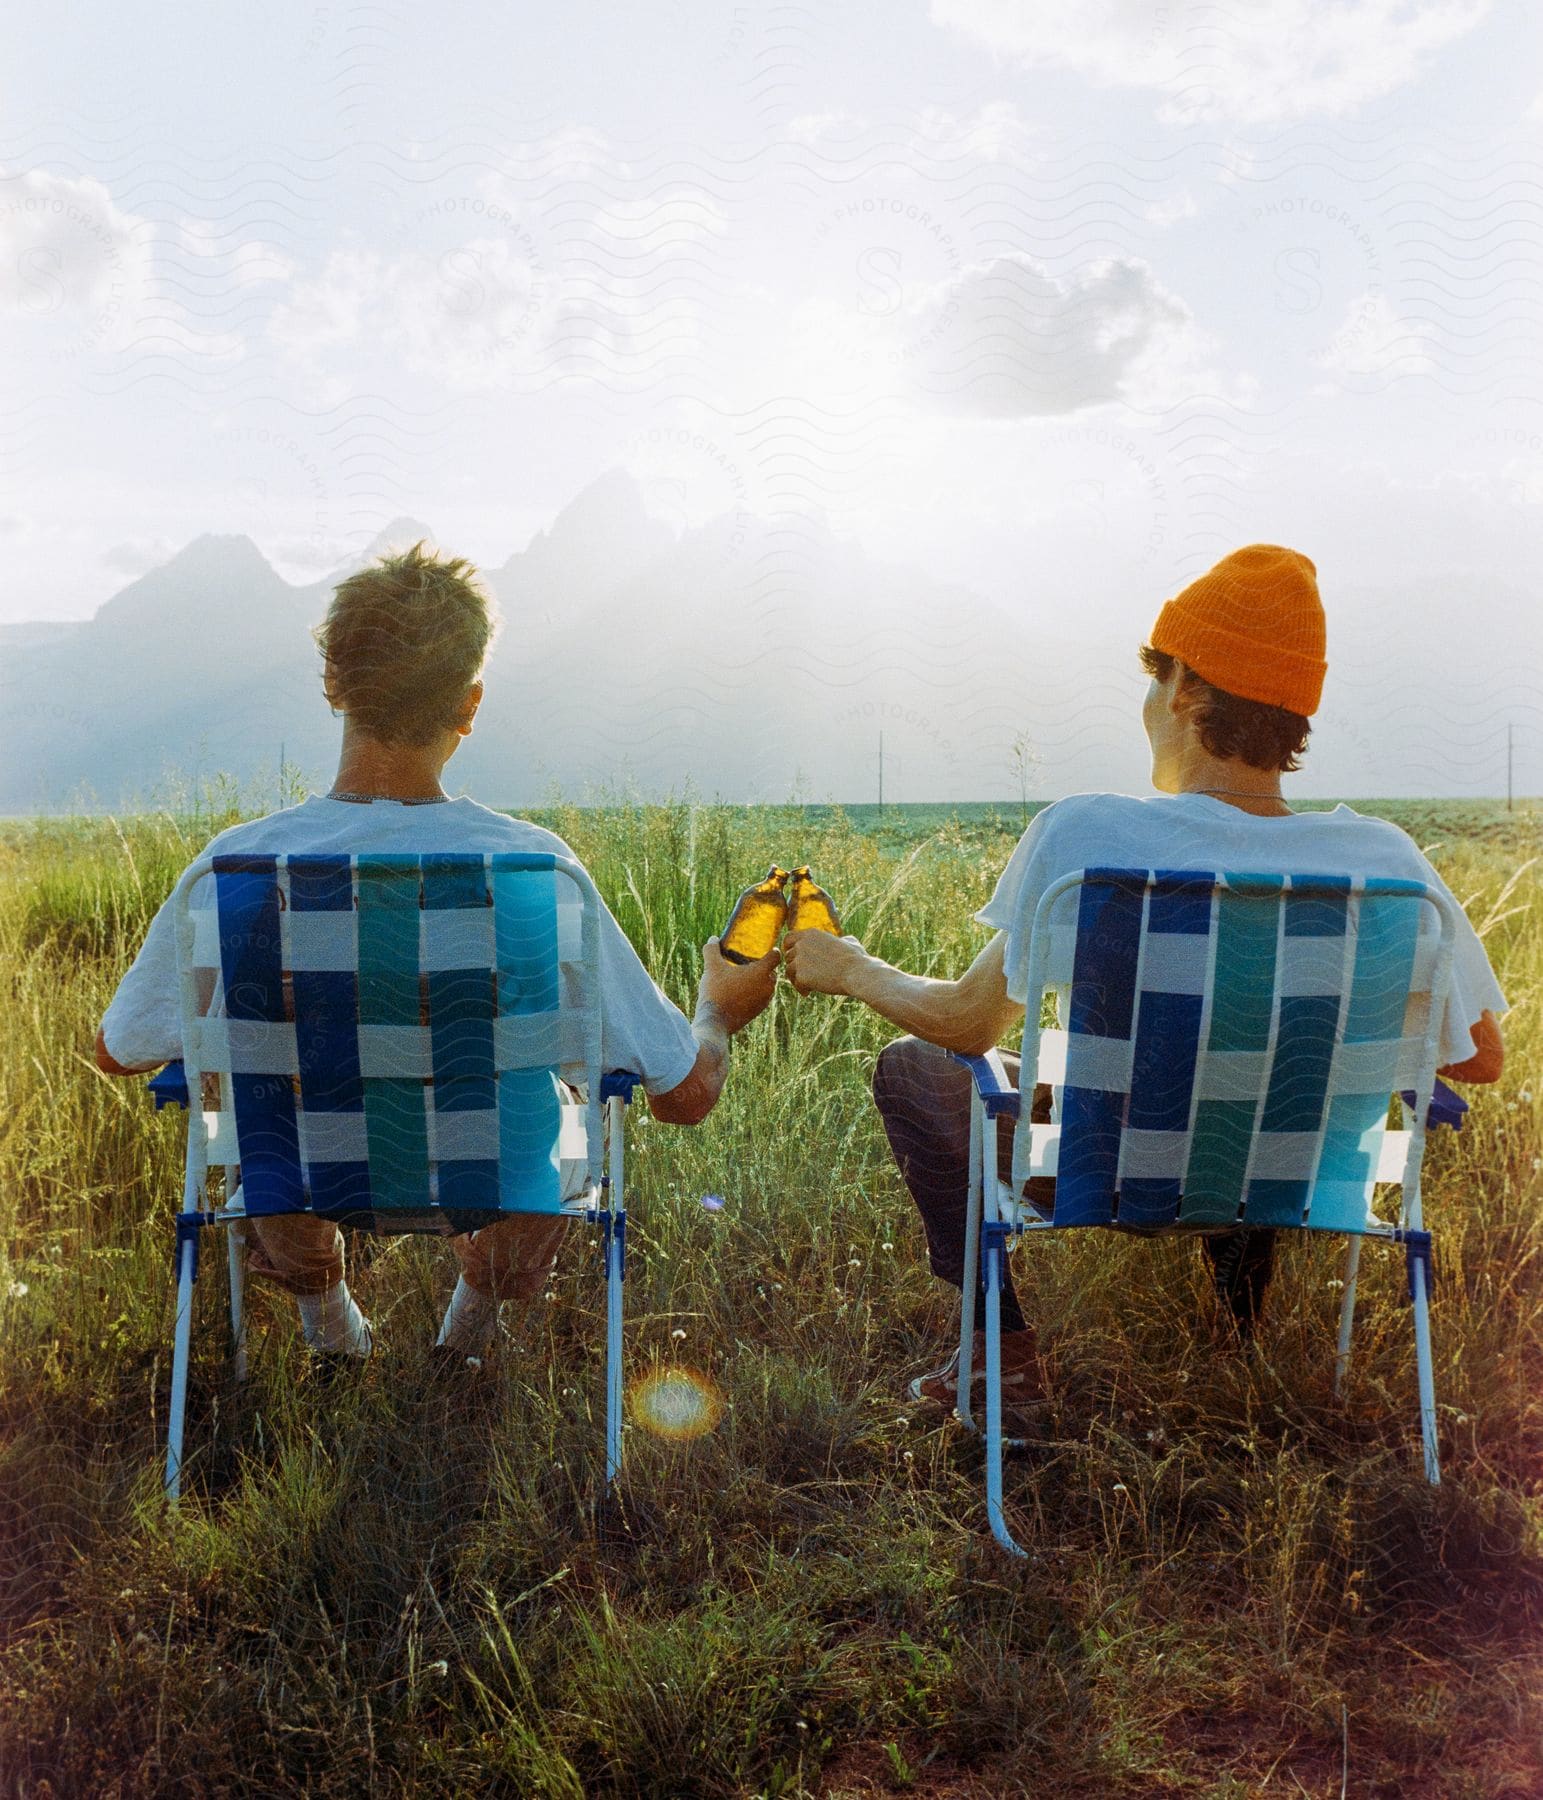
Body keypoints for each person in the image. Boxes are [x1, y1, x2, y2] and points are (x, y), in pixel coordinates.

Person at [783, 545, 1508, 1428]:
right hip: (1297, 1174)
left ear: (1184, 691)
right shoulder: (1386, 863)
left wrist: (849, 966)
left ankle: (1003, 1359)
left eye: (1152, 680)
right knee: (1267, 1051)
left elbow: (966, 1025)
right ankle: (1235, 1336)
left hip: (1105, 1170)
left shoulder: (1088, 834)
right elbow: (1479, 1060)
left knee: (914, 1067)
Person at [95, 542, 779, 1370]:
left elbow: (120, 1049)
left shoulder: (236, 868)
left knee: (261, 1100)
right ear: (469, 704)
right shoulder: (534, 871)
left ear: (333, 687)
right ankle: (464, 1344)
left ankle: (332, 1332)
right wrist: (718, 1007)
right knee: (565, 1110)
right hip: (491, 1177)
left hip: (300, 1176)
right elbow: (684, 1095)